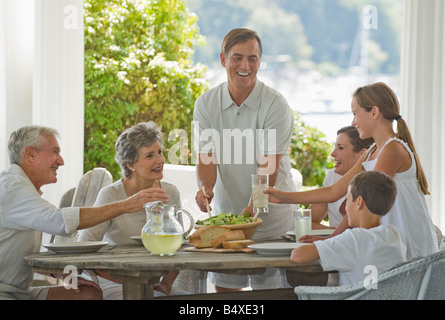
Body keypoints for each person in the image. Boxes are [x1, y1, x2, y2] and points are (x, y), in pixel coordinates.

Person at [266, 82, 438, 259]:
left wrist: (331, 240)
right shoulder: (372, 152)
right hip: (389, 240)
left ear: (374, 112)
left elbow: (364, 202)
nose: (353, 122)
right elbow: (333, 191)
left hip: (406, 241)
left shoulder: (392, 150)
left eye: (355, 113)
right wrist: (283, 197)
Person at [0, 125, 169, 300]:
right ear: (30, 154)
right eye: (54, 152)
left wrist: (62, 274)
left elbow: (22, 256)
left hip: (20, 293)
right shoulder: (12, 188)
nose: (61, 161)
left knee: (88, 294)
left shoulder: (21, 190)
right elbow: (60, 222)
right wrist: (128, 205)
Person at [193, 28, 296, 292]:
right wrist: (206, 189)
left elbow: (268, 166)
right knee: (226, 293)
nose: (245, 66)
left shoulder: (275, 104)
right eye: (237, 57)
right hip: (229, 218)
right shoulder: (206, 104)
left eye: (252, 58)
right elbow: (206, 159)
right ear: (222, 59)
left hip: (271, 220)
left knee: (272, 296)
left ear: (260, 61)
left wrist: (253, 209)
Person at [78, 122, 187, 299]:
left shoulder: (170, 193)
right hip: (112, 282)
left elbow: (179, 246)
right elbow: (86, 247)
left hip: (156, 285)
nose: (159, 160)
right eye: (149, 155)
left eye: (159, 152)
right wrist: (136, 283)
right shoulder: (111, 195)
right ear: (130, 165)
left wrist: (165, 285)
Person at [291, 171, 407, 286]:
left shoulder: (353, 239)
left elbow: (298, 255)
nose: (346, 208)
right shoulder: (395, 235)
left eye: (347, 199)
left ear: (359, 202)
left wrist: (326, 242)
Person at [310, 126, 373, 230]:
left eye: (341, 148)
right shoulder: (332, 177)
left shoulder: (374, 183)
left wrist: (339, 236)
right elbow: (309, 222)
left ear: (363, 154)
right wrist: (337, 236)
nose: (332, 154)